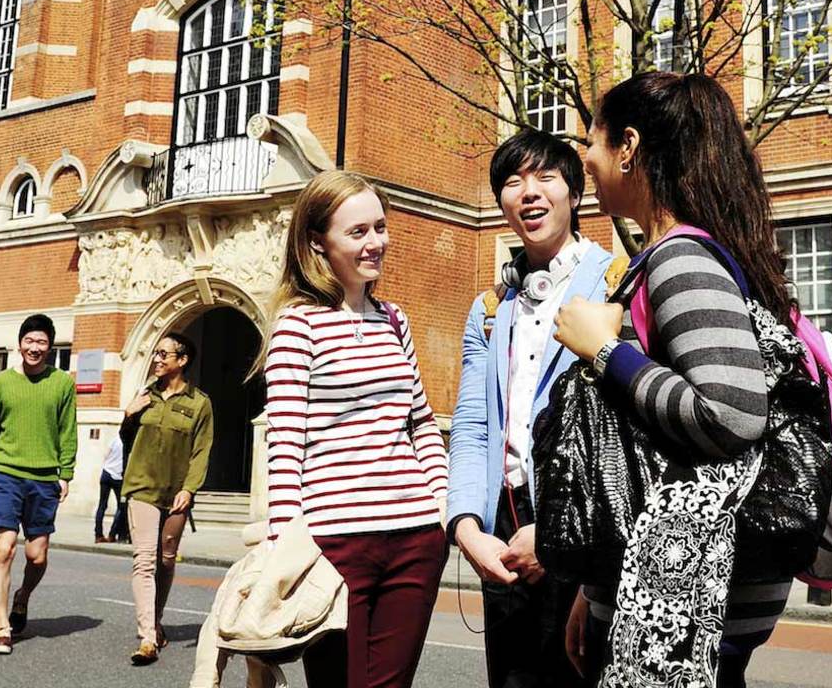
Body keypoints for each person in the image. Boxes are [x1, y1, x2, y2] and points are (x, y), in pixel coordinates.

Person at [554, 72, 789, 686]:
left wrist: (604, 351)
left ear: (628, 148)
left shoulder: (681, 257)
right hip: (668, 589)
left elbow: (732, 413)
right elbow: (634, 453)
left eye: (594, 141)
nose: (586, 157)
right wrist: (598, 583)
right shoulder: (673, 254)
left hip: (694, 605)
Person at [262, 170, 449, 688]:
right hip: (334, 544)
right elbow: (285, 444)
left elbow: (420, 422)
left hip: (415, 538)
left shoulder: (395, 319)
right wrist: (284, 547)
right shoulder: (298, 324)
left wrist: (440, 506)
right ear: (318, 243)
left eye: (380, 228)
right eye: (358, 232)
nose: (376, 243)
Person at [447, 130, 614, 688]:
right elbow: (471, 424)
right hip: (504, 527)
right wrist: (467, 527)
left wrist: (559, 532)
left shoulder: (615, 283)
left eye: (545, 177)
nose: (529, 192)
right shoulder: (491, 307)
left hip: (585, 529)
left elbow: (627, 434)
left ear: (574, 193)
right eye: (513, 182)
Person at [0, 313, 78, 656]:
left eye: (42, 342)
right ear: (20, 344)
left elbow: (67, 430)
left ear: (50, 346)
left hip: (44, 476)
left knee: (37, 554)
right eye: (29, 341)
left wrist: (66, 473)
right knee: (4, 548)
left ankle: (23, 597)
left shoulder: (62, 383)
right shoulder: (0, 384)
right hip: (5, 472)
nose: (35, 348)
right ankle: (2, 629)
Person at [119, 330, 214, 666]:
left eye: (164, 354)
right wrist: (129, 413)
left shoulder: (199, 403)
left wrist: (190, 489)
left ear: (182, 360)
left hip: (176, 492)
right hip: (142, 487)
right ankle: (147, 637)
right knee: (144, 559)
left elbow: (201, 451)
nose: (157, 359)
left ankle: (155, 620)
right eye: (156, 353)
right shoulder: (145, 396)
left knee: (166, 558)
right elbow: (125, 439)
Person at [95, 432, 129, 544]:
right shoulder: (128, 443)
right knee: (121, 506)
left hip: (106, 473)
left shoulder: (114, 439)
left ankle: (98, 534)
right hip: (118, 477)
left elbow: (106, 454)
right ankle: (112, 534)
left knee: (102, 505)